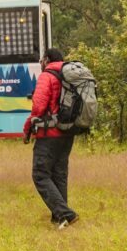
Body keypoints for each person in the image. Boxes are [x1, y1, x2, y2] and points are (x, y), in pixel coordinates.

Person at [24, 47, 79, 229]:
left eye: (41, 60)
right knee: (59, 174)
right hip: (68, 133)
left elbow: (38, 107)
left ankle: (66, 214)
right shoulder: (70, 76)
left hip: (50, 134)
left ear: (47, 60)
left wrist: (27, 128)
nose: (40, 63)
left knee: (40, 174)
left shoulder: (47, 76)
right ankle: (59, 218)